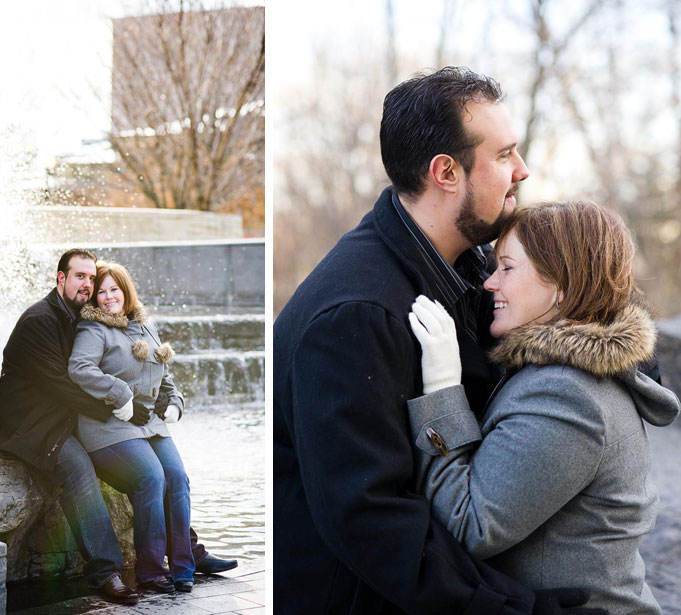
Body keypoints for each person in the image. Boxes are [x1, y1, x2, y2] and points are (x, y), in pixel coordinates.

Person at [274, 67, 605, 614]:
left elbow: (564, 318)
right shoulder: (356, 316)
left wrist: (617, 355)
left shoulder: (466, 263)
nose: (522, 170)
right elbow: (375, 524)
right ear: (446, 172)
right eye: (504, 155)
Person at [407, 201, 680, 614]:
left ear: (561, 286)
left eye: (507, 268)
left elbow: (469, 526)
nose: (489, 284)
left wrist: (442, 388)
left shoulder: (566, 393)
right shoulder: (558, 375)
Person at [0, 249, 236, 606]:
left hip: (71, 415)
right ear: (60, 278)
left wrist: (158, 404)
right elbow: (63, 382)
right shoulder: (41, 320)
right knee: (80, 469)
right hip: (33, 425)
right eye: (81, 278)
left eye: (92, 279)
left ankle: (188, 551)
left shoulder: (83, 315)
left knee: (172, 475)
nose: (89, 286)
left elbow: (145, 371)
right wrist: (121, 406)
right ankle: (105, 572)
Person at [67, 261, 194, 593]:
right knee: (151, 477)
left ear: (126, 291)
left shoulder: (144, 325)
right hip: (108, 426)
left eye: (115, 290)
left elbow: (164, 376)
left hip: (148, 424)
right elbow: (79, 368)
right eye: (102, 292)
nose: (109, 297)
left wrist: (175, 403)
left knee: (178, 477)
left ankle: (184, 566)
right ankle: (151, 571)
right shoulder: (93, 329)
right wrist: (120, 394)